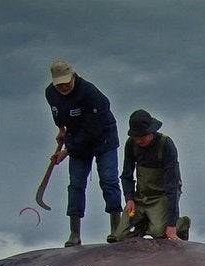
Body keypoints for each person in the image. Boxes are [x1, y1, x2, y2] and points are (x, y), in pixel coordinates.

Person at [45, 59, 123, 247]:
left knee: (108, 180)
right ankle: (74, 234)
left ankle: (117, 230)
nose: (63, 87)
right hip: (75, 138)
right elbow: (58, 114)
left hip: (102, 137)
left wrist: (67, 151)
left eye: (66, 82)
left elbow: (92, 131)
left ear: (73, 75)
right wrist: (61, 130)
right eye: (59, 84)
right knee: (76, 184)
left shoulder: (90, 94)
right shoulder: (51, 93)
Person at [110, 109, 190, 242]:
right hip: (141, 197)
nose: (139, 140)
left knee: (159, 233)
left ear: (152, 131)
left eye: (143, 136)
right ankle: (144, 223)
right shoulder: (131, 144)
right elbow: (126, 176)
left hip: (161, 195)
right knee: (119, 237)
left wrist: (171, 224)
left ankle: (181, 224)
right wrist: (129, 198)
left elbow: (173, 186)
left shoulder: (166, 145)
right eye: (136, 137)